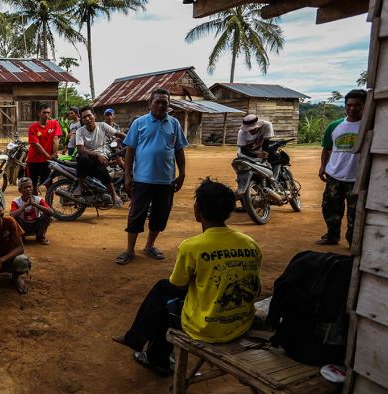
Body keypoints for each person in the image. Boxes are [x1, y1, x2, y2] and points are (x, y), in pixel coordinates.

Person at [113, 179, 262, 375]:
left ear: (197, 210)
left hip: (206, 328)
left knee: (164, 299)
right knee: (167, 291)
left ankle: (156, 357)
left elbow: (177, 286)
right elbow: (256, 289)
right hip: (241, 323)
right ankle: (137, 340)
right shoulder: (249, 243)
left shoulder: (192, 247)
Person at [116, 88, 188, 265]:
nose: (161, 105)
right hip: (142, 180)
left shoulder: (175, 124)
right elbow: (130, 150)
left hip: (166, 180)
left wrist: (182, 173)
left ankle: (149, 245)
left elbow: (179, 150)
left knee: (160, 214)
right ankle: (129, 250)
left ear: (169, 104)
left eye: (165, 102)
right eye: (158, 102)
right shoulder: (139, 123)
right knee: (136, 215)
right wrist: (128, 176)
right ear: (150, 104)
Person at [317, 89, 366, 246]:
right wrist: (323, 167)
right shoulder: (335, 126)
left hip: (357, 179)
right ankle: (332, 236)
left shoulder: (369, 127)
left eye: (357, 105)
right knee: (330, 208)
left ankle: (353, 241)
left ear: (364, 105)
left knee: (355, 213)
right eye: (349, 105)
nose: (352, 108)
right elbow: (327, 149)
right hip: (334, 176)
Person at [74, 106, 126, 207]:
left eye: (89, 116)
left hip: (100, 159)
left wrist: (133, 141)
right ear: (82, 119)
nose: (87, 119)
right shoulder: (80, 131)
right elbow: (80, 149)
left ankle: (113, 194)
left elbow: (119, 134)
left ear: (94, 116)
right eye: (84, 117)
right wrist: (97, 154)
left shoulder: (102, 126)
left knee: (101, 169)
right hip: (86, 158)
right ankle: (80, 186)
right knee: (83, 157)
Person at [26, 104, 62, 194]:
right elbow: (36, 145)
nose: (47, 114)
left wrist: (55, 153)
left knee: (48, 183)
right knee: (32, 184)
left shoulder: (54, 124)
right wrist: (49, 156)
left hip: (46, 161)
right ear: (39, 113)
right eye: (44, 112)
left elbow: (56, 139)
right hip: (33, 160)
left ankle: (48, 206)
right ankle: (35, 205)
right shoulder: (33, 127)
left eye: (48, 112)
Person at [10, 177, 53, 245]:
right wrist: (25, 205)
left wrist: (35, 205)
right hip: (23, 227)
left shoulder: (38, 199)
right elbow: (11, 215)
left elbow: (51, 212)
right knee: (13, 218)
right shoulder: (16, 201)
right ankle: (21, 236)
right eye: (25, 187)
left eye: (30, 187)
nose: (28, 189)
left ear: (33, 187)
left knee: (47, 215)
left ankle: (40, 236)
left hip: (36, 225)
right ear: (20, 190)